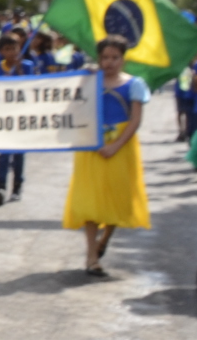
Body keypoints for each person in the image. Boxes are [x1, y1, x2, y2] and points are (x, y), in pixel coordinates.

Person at [64, 36, 151, 277]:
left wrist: (116, 145)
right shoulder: (91, 82)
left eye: (115, 57)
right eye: (105, 57)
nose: (109, 62)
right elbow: (74, 109)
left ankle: (106, 239)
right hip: (91, 146)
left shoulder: (135, 84)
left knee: (119, 197)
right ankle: (92, 255)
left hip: (122, 147)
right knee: (90, 199)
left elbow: (135, 120)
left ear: (123, 59)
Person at [0, 28, 33, 204]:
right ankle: (0, 186)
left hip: (21, 116)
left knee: (19, 155)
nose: (11, 52)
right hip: (3, 117)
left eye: (14, 48)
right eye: (7, 49)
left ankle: (17, 186)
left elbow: (33, 88)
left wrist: (20, 70)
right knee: (4, 154)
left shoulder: (27, 66)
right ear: (1, 52)